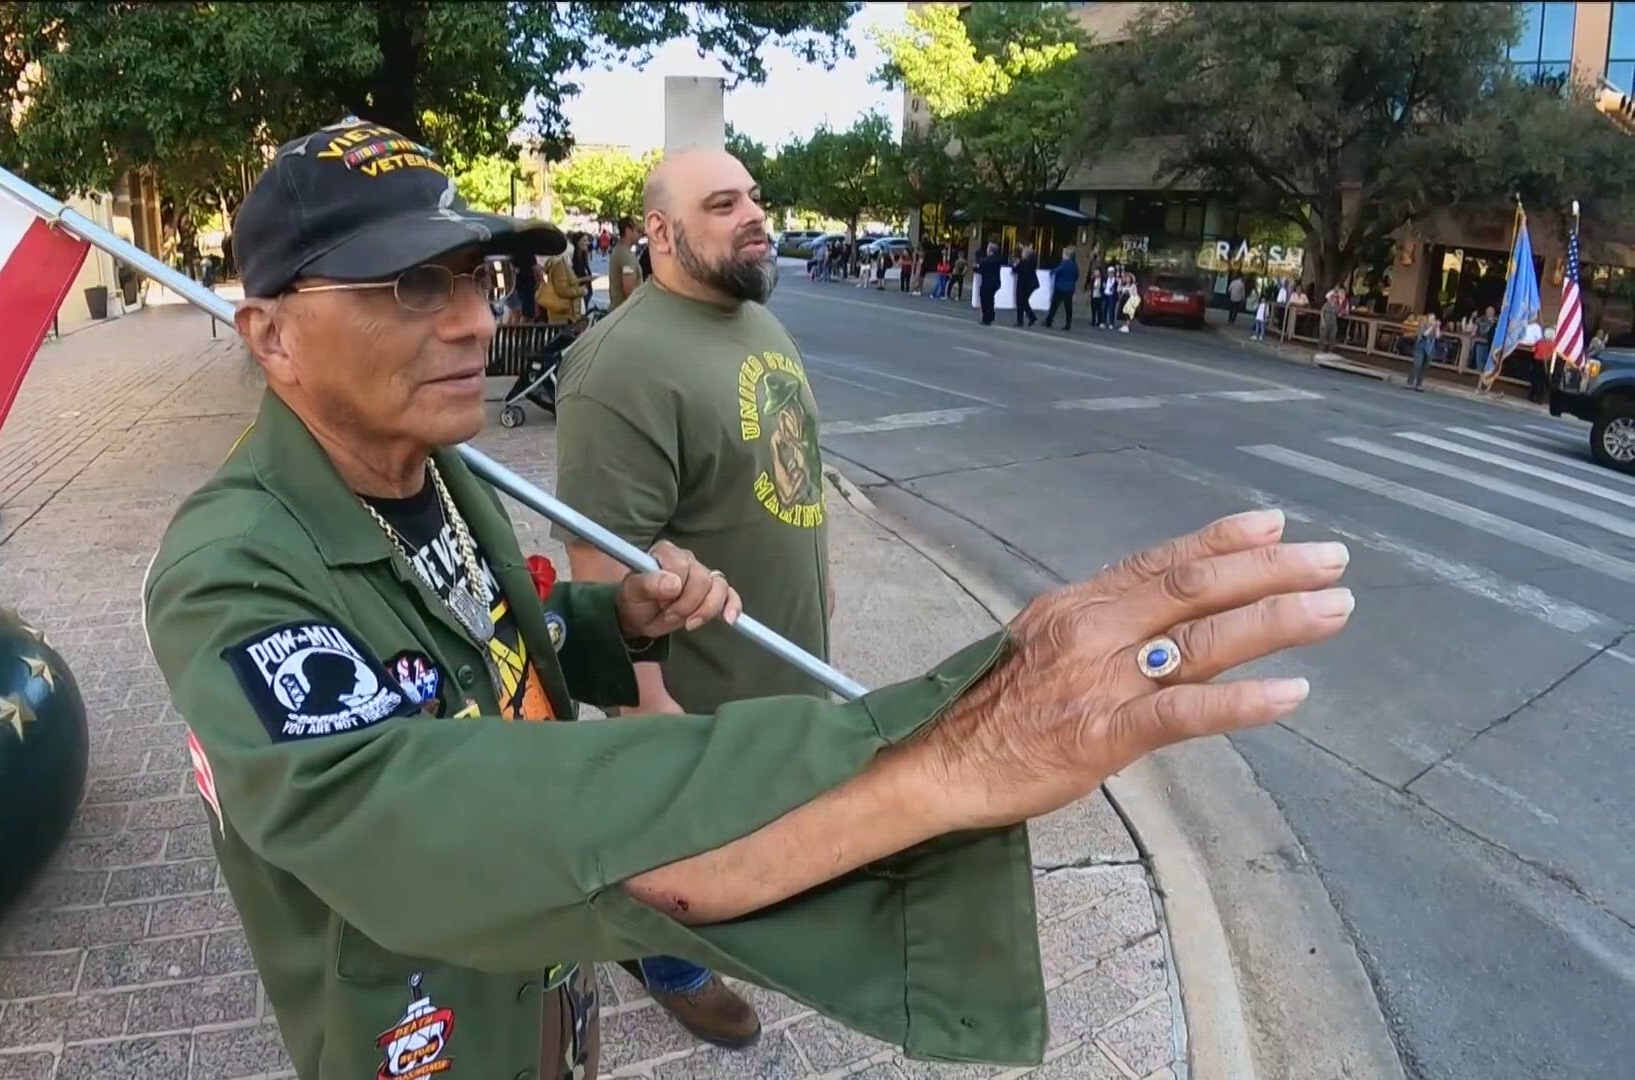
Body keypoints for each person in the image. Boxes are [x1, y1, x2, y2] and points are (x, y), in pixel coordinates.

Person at [145, 119, 1354, 1080]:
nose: (473, 319)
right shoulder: (229, 571)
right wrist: (931, 758)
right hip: (422, 1024)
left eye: (472, 275)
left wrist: (611, 628)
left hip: (549, 991)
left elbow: (481, 660)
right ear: (272, 336)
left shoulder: (438, 471)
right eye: (410, 287)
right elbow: (402, 810)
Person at [554, 148, 836, 1047]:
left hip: (781, 673)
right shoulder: (622, 364)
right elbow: (600, 562)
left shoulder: (756, 321)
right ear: (663, 234)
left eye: (754, 195)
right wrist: (650, 710)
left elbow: (792, 477)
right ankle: (661, 956)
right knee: (674, 851)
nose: (756, 213)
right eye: (724, 203)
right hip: (696, 705)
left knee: (754, 847)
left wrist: (820, 593)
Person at [538, 234, 590, 322]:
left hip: (562, 310)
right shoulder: (559, 264)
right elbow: (562, 290)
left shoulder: (559, 262)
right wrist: (581, 291)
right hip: (564, 311)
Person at [608, 217, 643, 309]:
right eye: (638, 231)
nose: (641, 234)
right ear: (628, 231)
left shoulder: (619, 250)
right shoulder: (626, 257)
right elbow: (629, 290)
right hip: (625, 311)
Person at [1046, 245, 1079, 330]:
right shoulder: (1074, 265)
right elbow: (1076, 276)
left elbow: (1058, 271)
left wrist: (1052, 271)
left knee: (1054, 305)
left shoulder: (1064, 264)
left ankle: (1049, 320)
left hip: (1060, 287)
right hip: (1070, 288)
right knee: (1068, 307)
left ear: (1066, 255)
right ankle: (1068, 324)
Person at [1407, 312, 1440, 390]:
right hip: (1421, 347)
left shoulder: (1435, 328)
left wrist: (1437, 327)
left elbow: (1437, 336)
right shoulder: (1423, 325)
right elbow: (1424, 334)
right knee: (1417, 364)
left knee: (1424, 366)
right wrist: (1431, 327)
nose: (1433, 320)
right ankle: (1410, 383)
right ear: (1427, 319)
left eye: (1434, 319)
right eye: (1431, 319)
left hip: (1430, 349)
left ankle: (1419, 384)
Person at [1013, 245, 1039, 327]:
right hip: (1030, 285)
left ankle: (1020, 321)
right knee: (1024, 302)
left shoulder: (1023, 263)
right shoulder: (1032, 263)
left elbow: (1015, 270)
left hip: (1023, 285)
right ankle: (1031, 317)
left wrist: (1015, 264)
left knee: (1020, 302)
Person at [977, 241, 1002, 325]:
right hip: (995, 282)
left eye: (988, 248)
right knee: (991, 299)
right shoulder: (998, 260)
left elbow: (981, 271)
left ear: (990, 251)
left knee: (984, 300)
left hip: (986, 282)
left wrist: (975, 269)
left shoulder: (985, 260)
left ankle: (986, 318)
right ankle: (991, 315)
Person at [1470, 305, 1497, 376]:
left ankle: (1488, 373)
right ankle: (1478, 373)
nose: (1490, 312)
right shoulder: (1480, 319)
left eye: (1491, 311)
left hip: (1492, 344)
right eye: (1488, 310)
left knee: (1488, 360)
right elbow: (1475, 330)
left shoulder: (1497, 321)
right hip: (1480, 341)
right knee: (1479, 360)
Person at [1101, 264, 1120, 329]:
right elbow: (1103, 286)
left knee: (1111, 310)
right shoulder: (1105, 279)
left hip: (1112, 296)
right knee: (1104, 309)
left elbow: (1117, 288)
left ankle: (1111, 323)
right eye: (1109, 273)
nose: (1110, 274)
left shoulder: (1116, 280)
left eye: (1112, 273)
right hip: (1106, 295)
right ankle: (1103, 322)